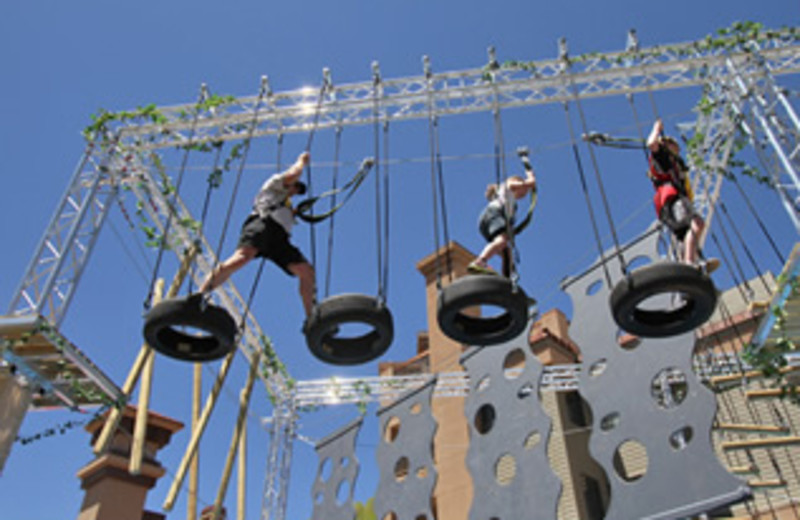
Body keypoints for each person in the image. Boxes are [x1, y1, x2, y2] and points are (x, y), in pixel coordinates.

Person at [200, 151, 316, 317]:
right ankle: (201, 295)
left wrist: (293, 213)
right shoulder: (274, 184)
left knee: (306, 271)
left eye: (298, 190)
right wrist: (301, 161)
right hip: (262, 224)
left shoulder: (288, 207)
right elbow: (293, 173)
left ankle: (312, 318)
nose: (295, 190)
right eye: (295, 186)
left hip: (279, 238)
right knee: (242, 257)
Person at [647, 119, 718, 272]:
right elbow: (652, 144)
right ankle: (689, 263)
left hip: (673, 202)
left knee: (684, 235)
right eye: (674, 150)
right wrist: (656, 129)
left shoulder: (676, 169)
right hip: (672, 200)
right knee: (696, 224)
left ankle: (690, 263)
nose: (677, 154)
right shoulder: (662, 159)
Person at [468, 153, 537, 277]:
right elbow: (531, 182)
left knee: (507, 251)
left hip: (488, 219)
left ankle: (507, 278)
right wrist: (526, 162)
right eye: (524, 190)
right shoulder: (509, 185)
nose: (525, 192)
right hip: (493, 214)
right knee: (502, 240)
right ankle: (480, 261)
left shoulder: (511, 203)